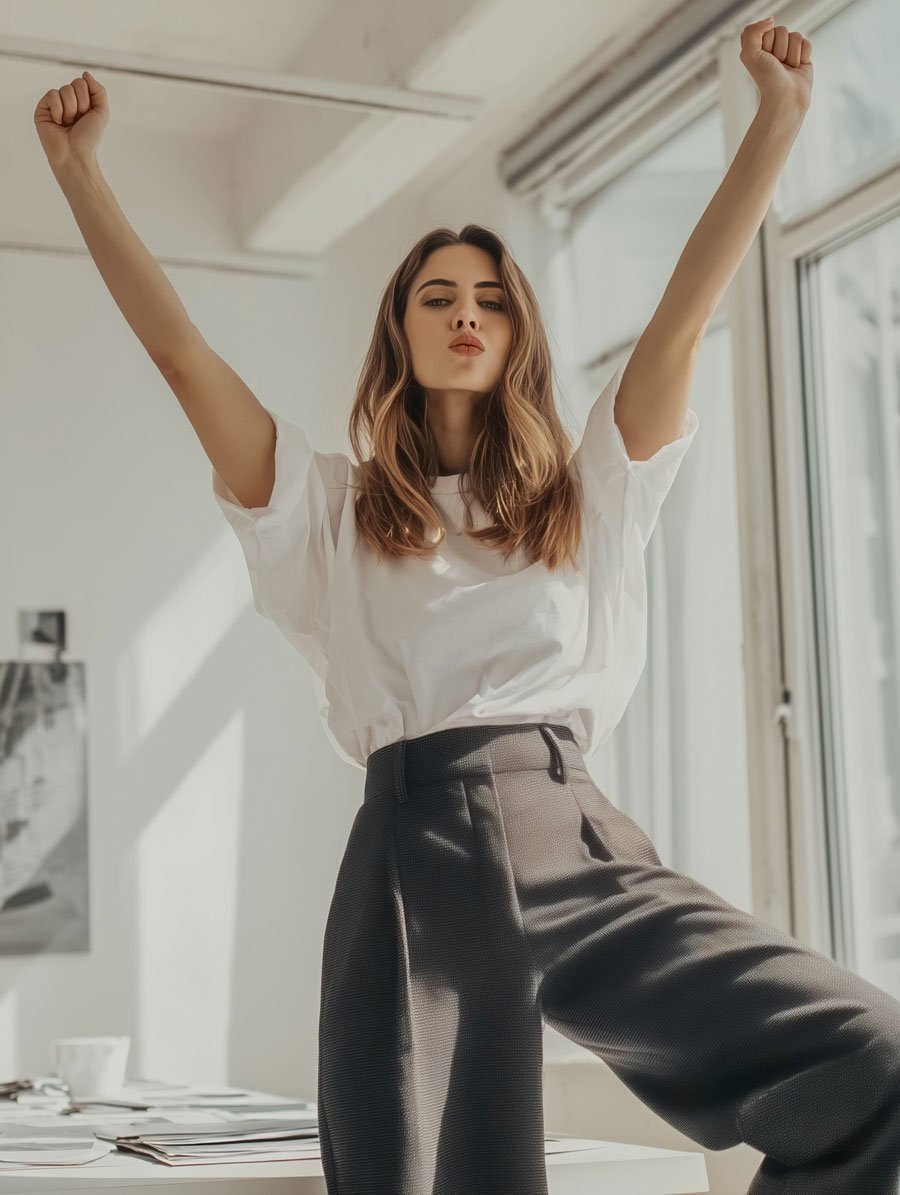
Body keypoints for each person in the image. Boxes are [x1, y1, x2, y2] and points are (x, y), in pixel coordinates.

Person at [34, 21, 900, 1194]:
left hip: (578, 834)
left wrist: (775, 127)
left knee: (873, 1061)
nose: (466, 313)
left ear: (516, 334)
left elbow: (686, 314)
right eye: (438, 296)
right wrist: (81, 176)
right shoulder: (328, 510)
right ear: (398, 328)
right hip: (414, 852)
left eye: (490, 299)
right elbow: (185, 357)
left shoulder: (587, 491)